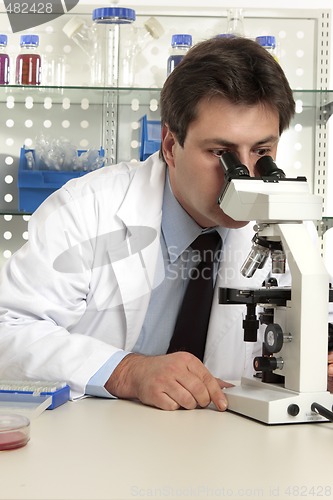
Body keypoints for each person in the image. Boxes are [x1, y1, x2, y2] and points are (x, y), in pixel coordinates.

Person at [0, 36, 332, 411]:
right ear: (171, 147)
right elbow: (9, 330)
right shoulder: (87, 209)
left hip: (224, 442)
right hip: (95, 442)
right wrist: (126, 371)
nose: (244, 178)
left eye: (261, 152)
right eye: (221, 154)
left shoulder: (284, 230)